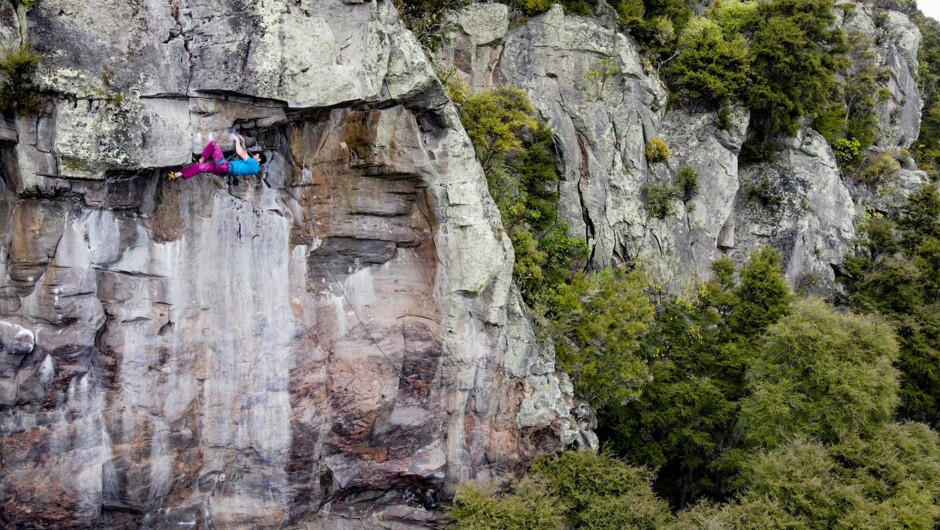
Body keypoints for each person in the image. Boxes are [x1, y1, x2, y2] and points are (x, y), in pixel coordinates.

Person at [169, 133, 265, 184]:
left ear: (259, 159)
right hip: (223, 172)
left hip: (224, 166)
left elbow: (240, 152)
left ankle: (201, 160)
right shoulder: (255, 168)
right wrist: (242, 143)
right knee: (200, 168)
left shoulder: (254, 164)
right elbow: (243, 154)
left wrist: (236, 140)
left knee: (213, 144)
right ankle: (176, 175)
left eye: (256, 155)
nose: (255, 155)